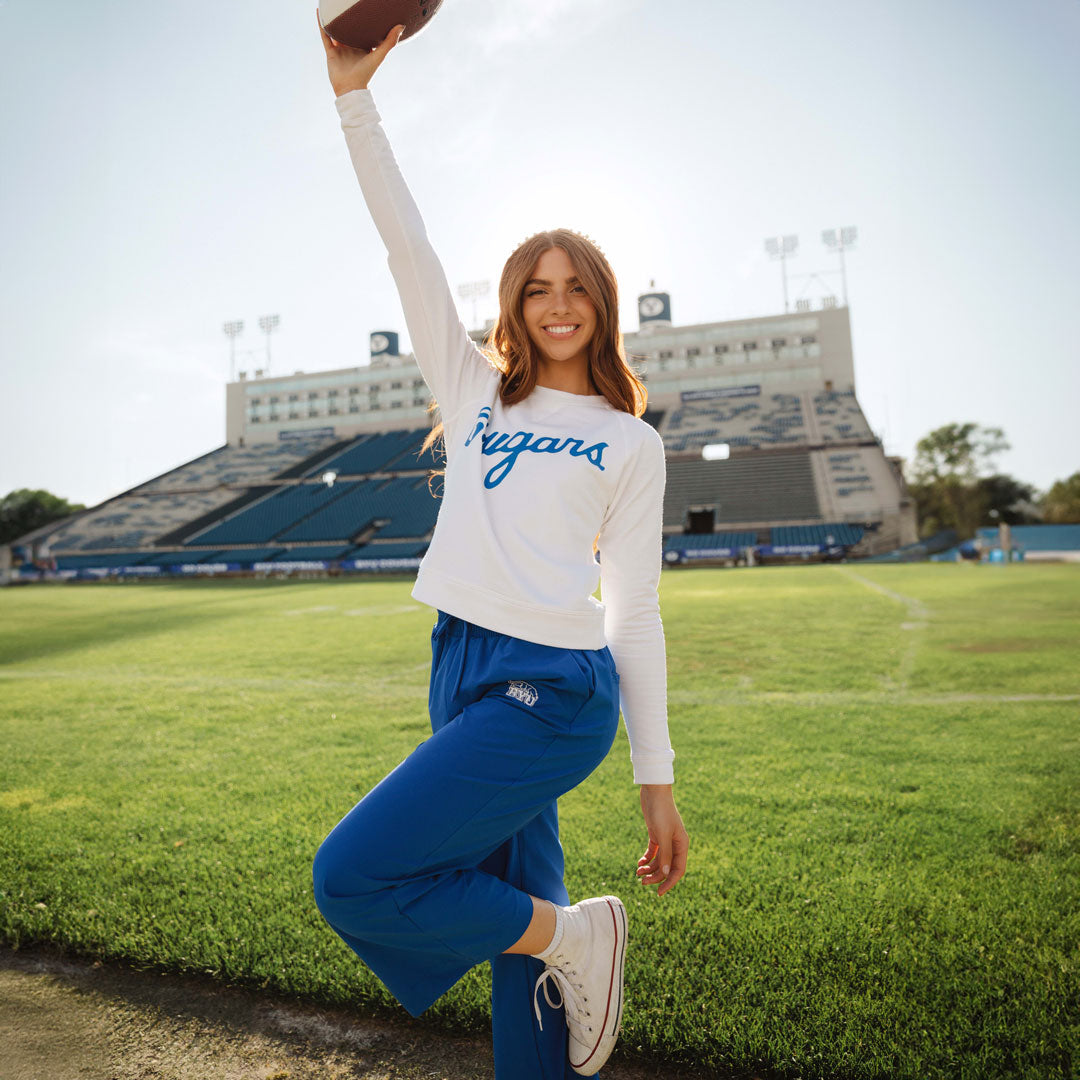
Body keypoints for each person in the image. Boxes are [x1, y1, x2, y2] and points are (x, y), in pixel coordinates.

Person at [312, 20, 689, 1079]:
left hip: (555, 690)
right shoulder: (475, 390)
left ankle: (584, 936)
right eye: (537, 287)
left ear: (602, 305)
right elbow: (407, 245)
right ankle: (564, 958)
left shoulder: (630, 440)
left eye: (577, 287)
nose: (557, 303)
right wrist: (354, 98)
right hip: (461, 666)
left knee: (356, 876)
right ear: (512, 306)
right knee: (520, 951)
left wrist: (655, 782)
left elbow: (637, 610)